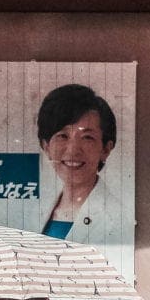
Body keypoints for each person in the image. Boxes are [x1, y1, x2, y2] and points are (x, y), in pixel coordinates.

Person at [37, 83, 119, 242]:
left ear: (105, 149)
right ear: (46, 146)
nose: (73, 150)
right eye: (62, 136)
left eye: (87, 137)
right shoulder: (38, 209)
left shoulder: (116, 217)